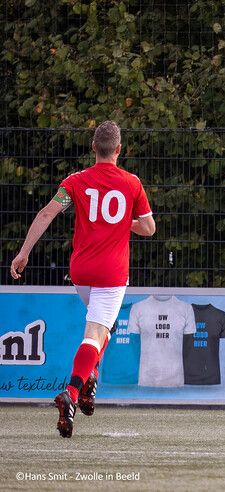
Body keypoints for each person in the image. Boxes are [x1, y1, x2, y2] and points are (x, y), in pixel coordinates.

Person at [10, 121, 155, 438]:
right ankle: (73, 393)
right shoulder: (131, 184)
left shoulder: (75, 182)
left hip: (81, 272)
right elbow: (149, 228)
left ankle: (91, 377)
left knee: (105, 327)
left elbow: (47, 213)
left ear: (94, 148)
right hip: (111, 274)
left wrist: (23, 253)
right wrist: (122, 225)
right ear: (119, 149)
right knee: (95, 333)